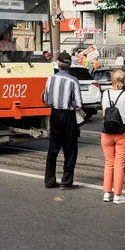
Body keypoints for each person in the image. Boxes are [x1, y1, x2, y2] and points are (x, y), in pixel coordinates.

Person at [43, 52, 83, 189]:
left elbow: (47, 100)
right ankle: (66, 181)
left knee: (53, 148)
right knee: (70, 149)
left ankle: (49, 180)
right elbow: (78, 104)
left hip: (54, 114)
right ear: (69, 65)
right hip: (68, 116)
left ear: (58, 65)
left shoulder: (50, 79)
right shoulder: (73, 81)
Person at [100, 69, 125, 204]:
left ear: (112, 80)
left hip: (107, 132)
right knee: (119, 164)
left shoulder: (105, 94)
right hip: (122, 132)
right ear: (124, 80)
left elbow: (104, 111)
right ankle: (118, 195)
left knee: (109, 163)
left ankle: (107, 193)